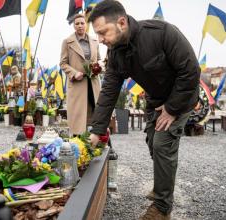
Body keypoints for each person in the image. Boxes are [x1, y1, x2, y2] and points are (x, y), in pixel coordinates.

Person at [87, 1, 200, 219]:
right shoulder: (116, 53)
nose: (100, 40)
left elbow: (190, 72)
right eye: (97, 34)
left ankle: (162, 207)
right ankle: (162, 184)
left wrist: (171, 108)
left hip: (182, 96)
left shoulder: (162, 33)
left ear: (121, 22)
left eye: (103, 32)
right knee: (152, 142)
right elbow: (109, 91)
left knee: (162, 144)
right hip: (154, 100)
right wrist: (96, 131)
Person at [60, 13, 101, 136]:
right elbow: (63, 63)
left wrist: (98, 66)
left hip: (93, 84)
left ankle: (98, 141)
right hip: (77, 84)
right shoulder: (67, 42)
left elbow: (98, 59)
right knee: (78, 118)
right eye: (77, 23)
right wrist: (74, 73)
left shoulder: (94, 41)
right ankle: (77, 144)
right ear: (74, 26)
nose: (80, 26)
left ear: (86, 25)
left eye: (82, 23)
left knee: (96, 114)